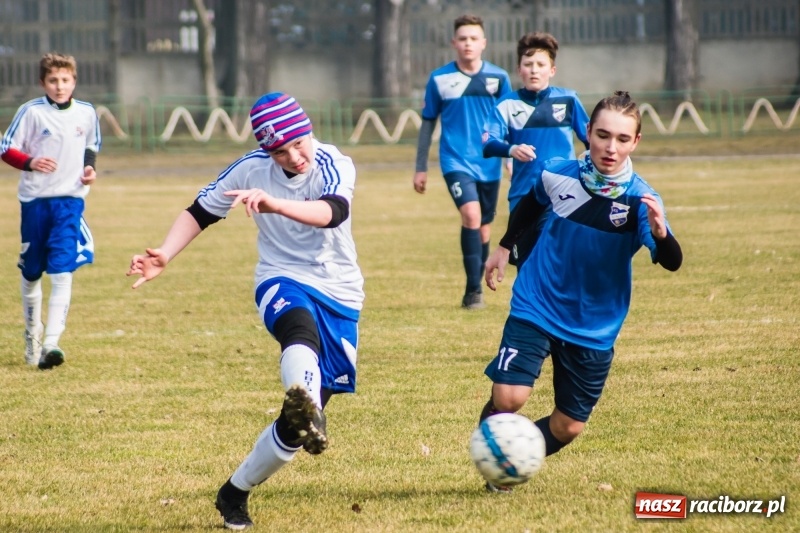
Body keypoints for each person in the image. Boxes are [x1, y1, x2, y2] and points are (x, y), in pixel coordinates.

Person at [126, 92, 364, 530]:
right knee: (299, 332)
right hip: (281, 277)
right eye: (279, 152)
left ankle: (233, 492)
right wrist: (165, 254)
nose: (293, 157)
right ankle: (307, 402)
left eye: (298, 144)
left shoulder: (333, 162)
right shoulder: (250, 168)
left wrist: (274, 204)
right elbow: (202, 210)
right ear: (265, 151)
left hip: (341, 292)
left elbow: (333, 212)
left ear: (308, 130)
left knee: (292, 434)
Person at [479, 92, 683, 491]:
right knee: (508, 397)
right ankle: (495, 457)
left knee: (568, 425)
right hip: (537, 301)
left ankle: (513, 454)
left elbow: (672, 260)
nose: (611, 147)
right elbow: (532, 206)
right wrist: (504, 247)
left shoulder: (641, 200)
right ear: (587, 132)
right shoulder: (557, 172)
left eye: (622, 139)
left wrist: (660, 234)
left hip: (593, 325)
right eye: (603, 135)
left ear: (636, 142)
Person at [0, 52, 100, 369]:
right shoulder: (31, 112)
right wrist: (30, 162)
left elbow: (92, 146)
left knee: (61, 269)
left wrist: (89, 169)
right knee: (32, 272)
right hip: (35, 203)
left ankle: (51, 344)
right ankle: (32, 336)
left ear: (74, 81)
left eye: (65, 80)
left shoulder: (86, 113)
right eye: (53, 80)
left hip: (70, 201)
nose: (60, 86)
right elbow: (5, 148)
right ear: (43, 82)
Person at [413, 14, 512, 309]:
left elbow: (509, 121)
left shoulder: (499, 78)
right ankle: (472, 292)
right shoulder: (439, 79)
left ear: (483, 43)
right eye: (463, 38)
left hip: (489, 162)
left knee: (483, 227)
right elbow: (428, 124)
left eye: (473, 38)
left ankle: (478, 283)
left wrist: (509, 156)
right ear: (454, 43)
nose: (468, 44)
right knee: (471, 216)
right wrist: (420, 167)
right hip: (455, 160)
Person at [482, 32, 589, 267]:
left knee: (554, 259)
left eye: (541, 64)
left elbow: (591, 140)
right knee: (525, 266)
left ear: (552, 70)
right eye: (528, 64)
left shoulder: (568, 100)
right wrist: (512, 149)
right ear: (519, 69)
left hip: (562, 193)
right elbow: (489, 144)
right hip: (523, 195)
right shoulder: (507, 105)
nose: (534, 70)